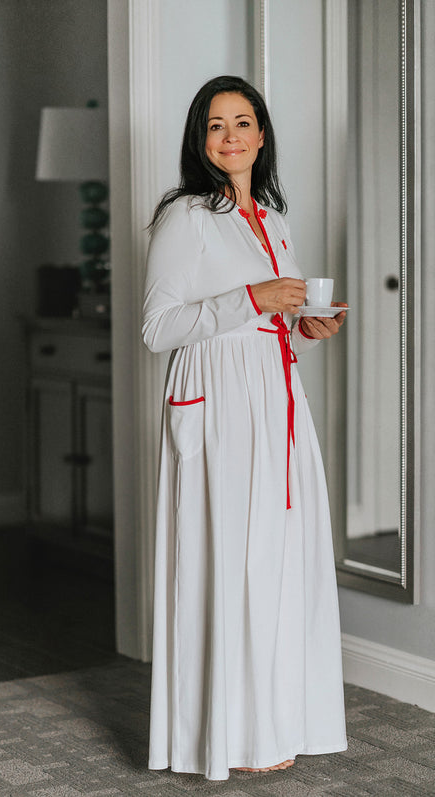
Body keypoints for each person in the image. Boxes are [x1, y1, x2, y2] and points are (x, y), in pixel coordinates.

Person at [142, 75, 348, 781]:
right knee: (226, 558)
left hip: (274, 396)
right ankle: (224, 736)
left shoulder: (274, 219)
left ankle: (273, 722)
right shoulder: (185, 217)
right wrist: (251, 297)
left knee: (277, 555)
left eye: (241, 122)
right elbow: (157, 328)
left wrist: (304, 328)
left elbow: (273, 321)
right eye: (215, 125)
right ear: (200, 141)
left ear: (261, 136)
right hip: (217, 399)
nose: (229, 136)